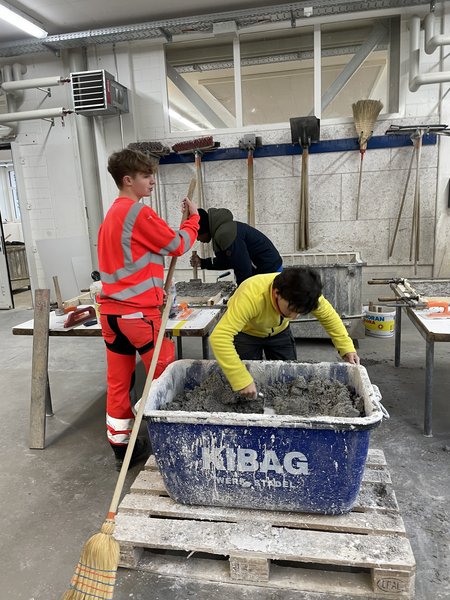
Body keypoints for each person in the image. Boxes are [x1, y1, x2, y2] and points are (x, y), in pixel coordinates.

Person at [97, 148, 199, 469]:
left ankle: (121, 447)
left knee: (119, 382)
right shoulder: (137, 213)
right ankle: (174, 441)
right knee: (165, 375)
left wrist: (155, 288)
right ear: (128, 180)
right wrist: (194, 221)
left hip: (111, 316)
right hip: (138, 316)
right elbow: (177, 245)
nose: (152, 181)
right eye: (145, 176)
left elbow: (132, 263)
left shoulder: (111, 217)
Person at [209, 267, 359, 399]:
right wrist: (241, 379)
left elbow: (329, 317)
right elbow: (220, 337)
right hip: (247, 334)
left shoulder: (306, 294)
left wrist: (346, 347)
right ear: (276, 293)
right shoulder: (251, 296)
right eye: (291, 310)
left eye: (299, 312)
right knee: (246, 380)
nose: (293, 317)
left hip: (280, 333)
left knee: (290, 379)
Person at [190, 207, 282, 285]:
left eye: (197, 234)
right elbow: (228, 261)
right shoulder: (223, 230)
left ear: (204, 229)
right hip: (267, 268)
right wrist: (203, 262)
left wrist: (241, 293)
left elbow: (244, 268)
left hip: (269, 271)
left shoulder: (225, 234)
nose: (197, 239)